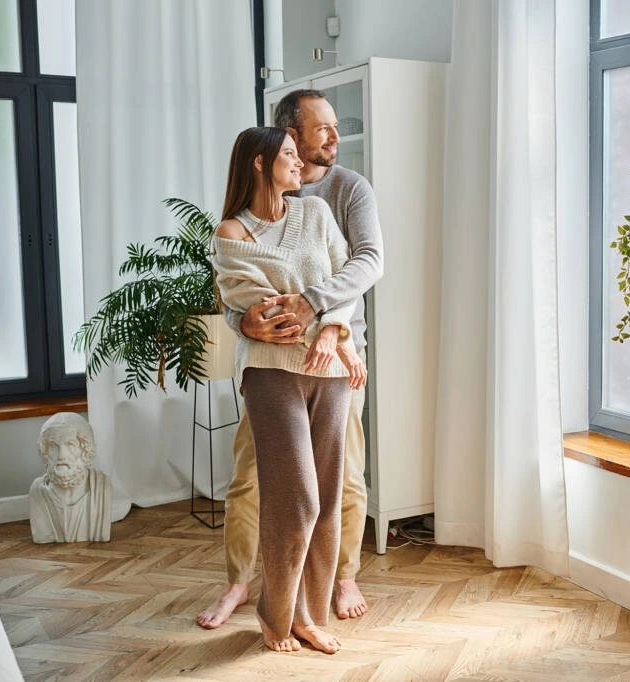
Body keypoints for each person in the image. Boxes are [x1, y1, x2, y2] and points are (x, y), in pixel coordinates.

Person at [197, 90, 383, 629]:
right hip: (273, 362)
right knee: (251, 478)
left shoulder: (345, 191)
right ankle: (242, 585)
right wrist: (245, 323)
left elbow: (365, 264)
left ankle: (338, 582)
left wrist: (331, 326)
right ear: (290, 137)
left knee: (343, 479)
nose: (333, 136)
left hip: (338, 356)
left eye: (334, 127)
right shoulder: (240, 224)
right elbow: (241, 296)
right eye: (322, 128)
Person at [29, 412, 111, 543]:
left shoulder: (101, 487)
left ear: (84, 450)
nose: (61, 455)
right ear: (45, 452)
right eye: (53, 446)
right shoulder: (38, 492)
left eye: (70, 445)